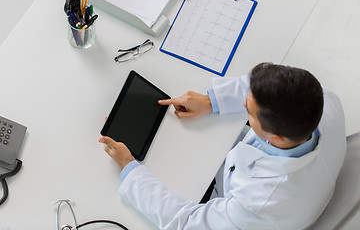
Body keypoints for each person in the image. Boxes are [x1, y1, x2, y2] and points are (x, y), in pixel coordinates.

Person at [99, 63, 346, 230]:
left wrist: (130, 169)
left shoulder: (259, 203)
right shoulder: (324, 100)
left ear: (277, 137)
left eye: (249, 112)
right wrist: (211, 101)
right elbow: (267, 85)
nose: (243, 106)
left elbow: (187, 222)